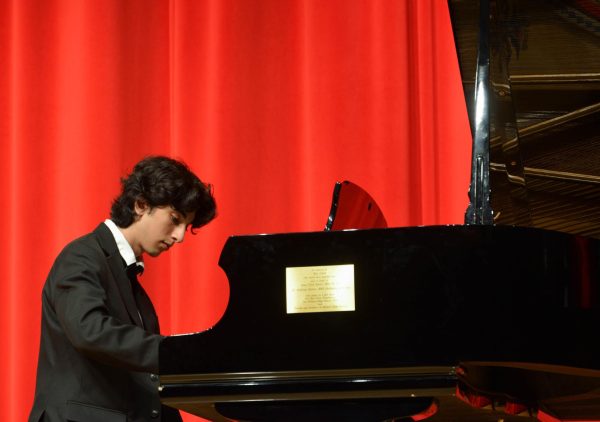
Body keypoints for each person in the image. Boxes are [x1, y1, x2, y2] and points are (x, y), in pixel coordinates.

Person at [28, 156, 217, 422]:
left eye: (186, 226)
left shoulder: (130, 279)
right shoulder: (80, 256)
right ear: (141, 205)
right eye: (175, 219)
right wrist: (181, 352)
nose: (180, 236)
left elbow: (143, 377)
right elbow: (90, 331)